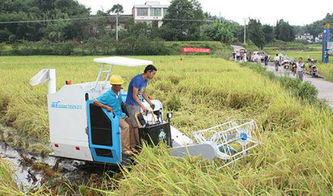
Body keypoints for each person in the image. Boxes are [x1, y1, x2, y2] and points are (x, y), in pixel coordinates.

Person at [93, 75, 134, 155]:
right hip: (115, 116)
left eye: (120, 84)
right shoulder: (107, 95)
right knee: (126, 127)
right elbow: (95, 102)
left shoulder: (119, 93)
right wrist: (105, 106)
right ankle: (125, 149)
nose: (120, 86)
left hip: (121, 114)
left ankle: (132, 146)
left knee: (131, 124)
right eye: (119, 85)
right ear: (114, 86)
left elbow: (121, 103)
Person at [126, 65, 157, 149]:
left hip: (137, 104)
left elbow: (143, 93)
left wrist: (150, 103)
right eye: (153, 74)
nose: (153, 76)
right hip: (132, 104)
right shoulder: (137, 80)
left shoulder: (145, 81)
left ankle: (141, 141)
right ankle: (138, 145)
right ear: (148, 72)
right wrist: (143, 106)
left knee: (140, 124)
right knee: (136, 125)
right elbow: (134, 96)